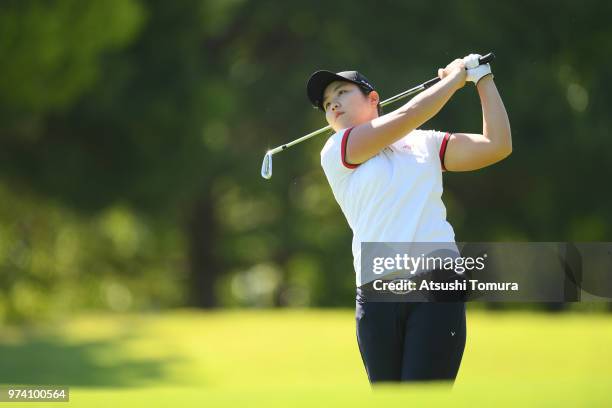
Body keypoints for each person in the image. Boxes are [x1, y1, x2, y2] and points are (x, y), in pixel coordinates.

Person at [306, 54, 512, 384]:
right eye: (327, 103)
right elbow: (409, 114)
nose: (333, 105)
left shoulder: (424, 143)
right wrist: (454, 80)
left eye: (341, 93)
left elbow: (496, 145)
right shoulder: (337, 150)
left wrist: (482, 79)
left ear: (373, 99)